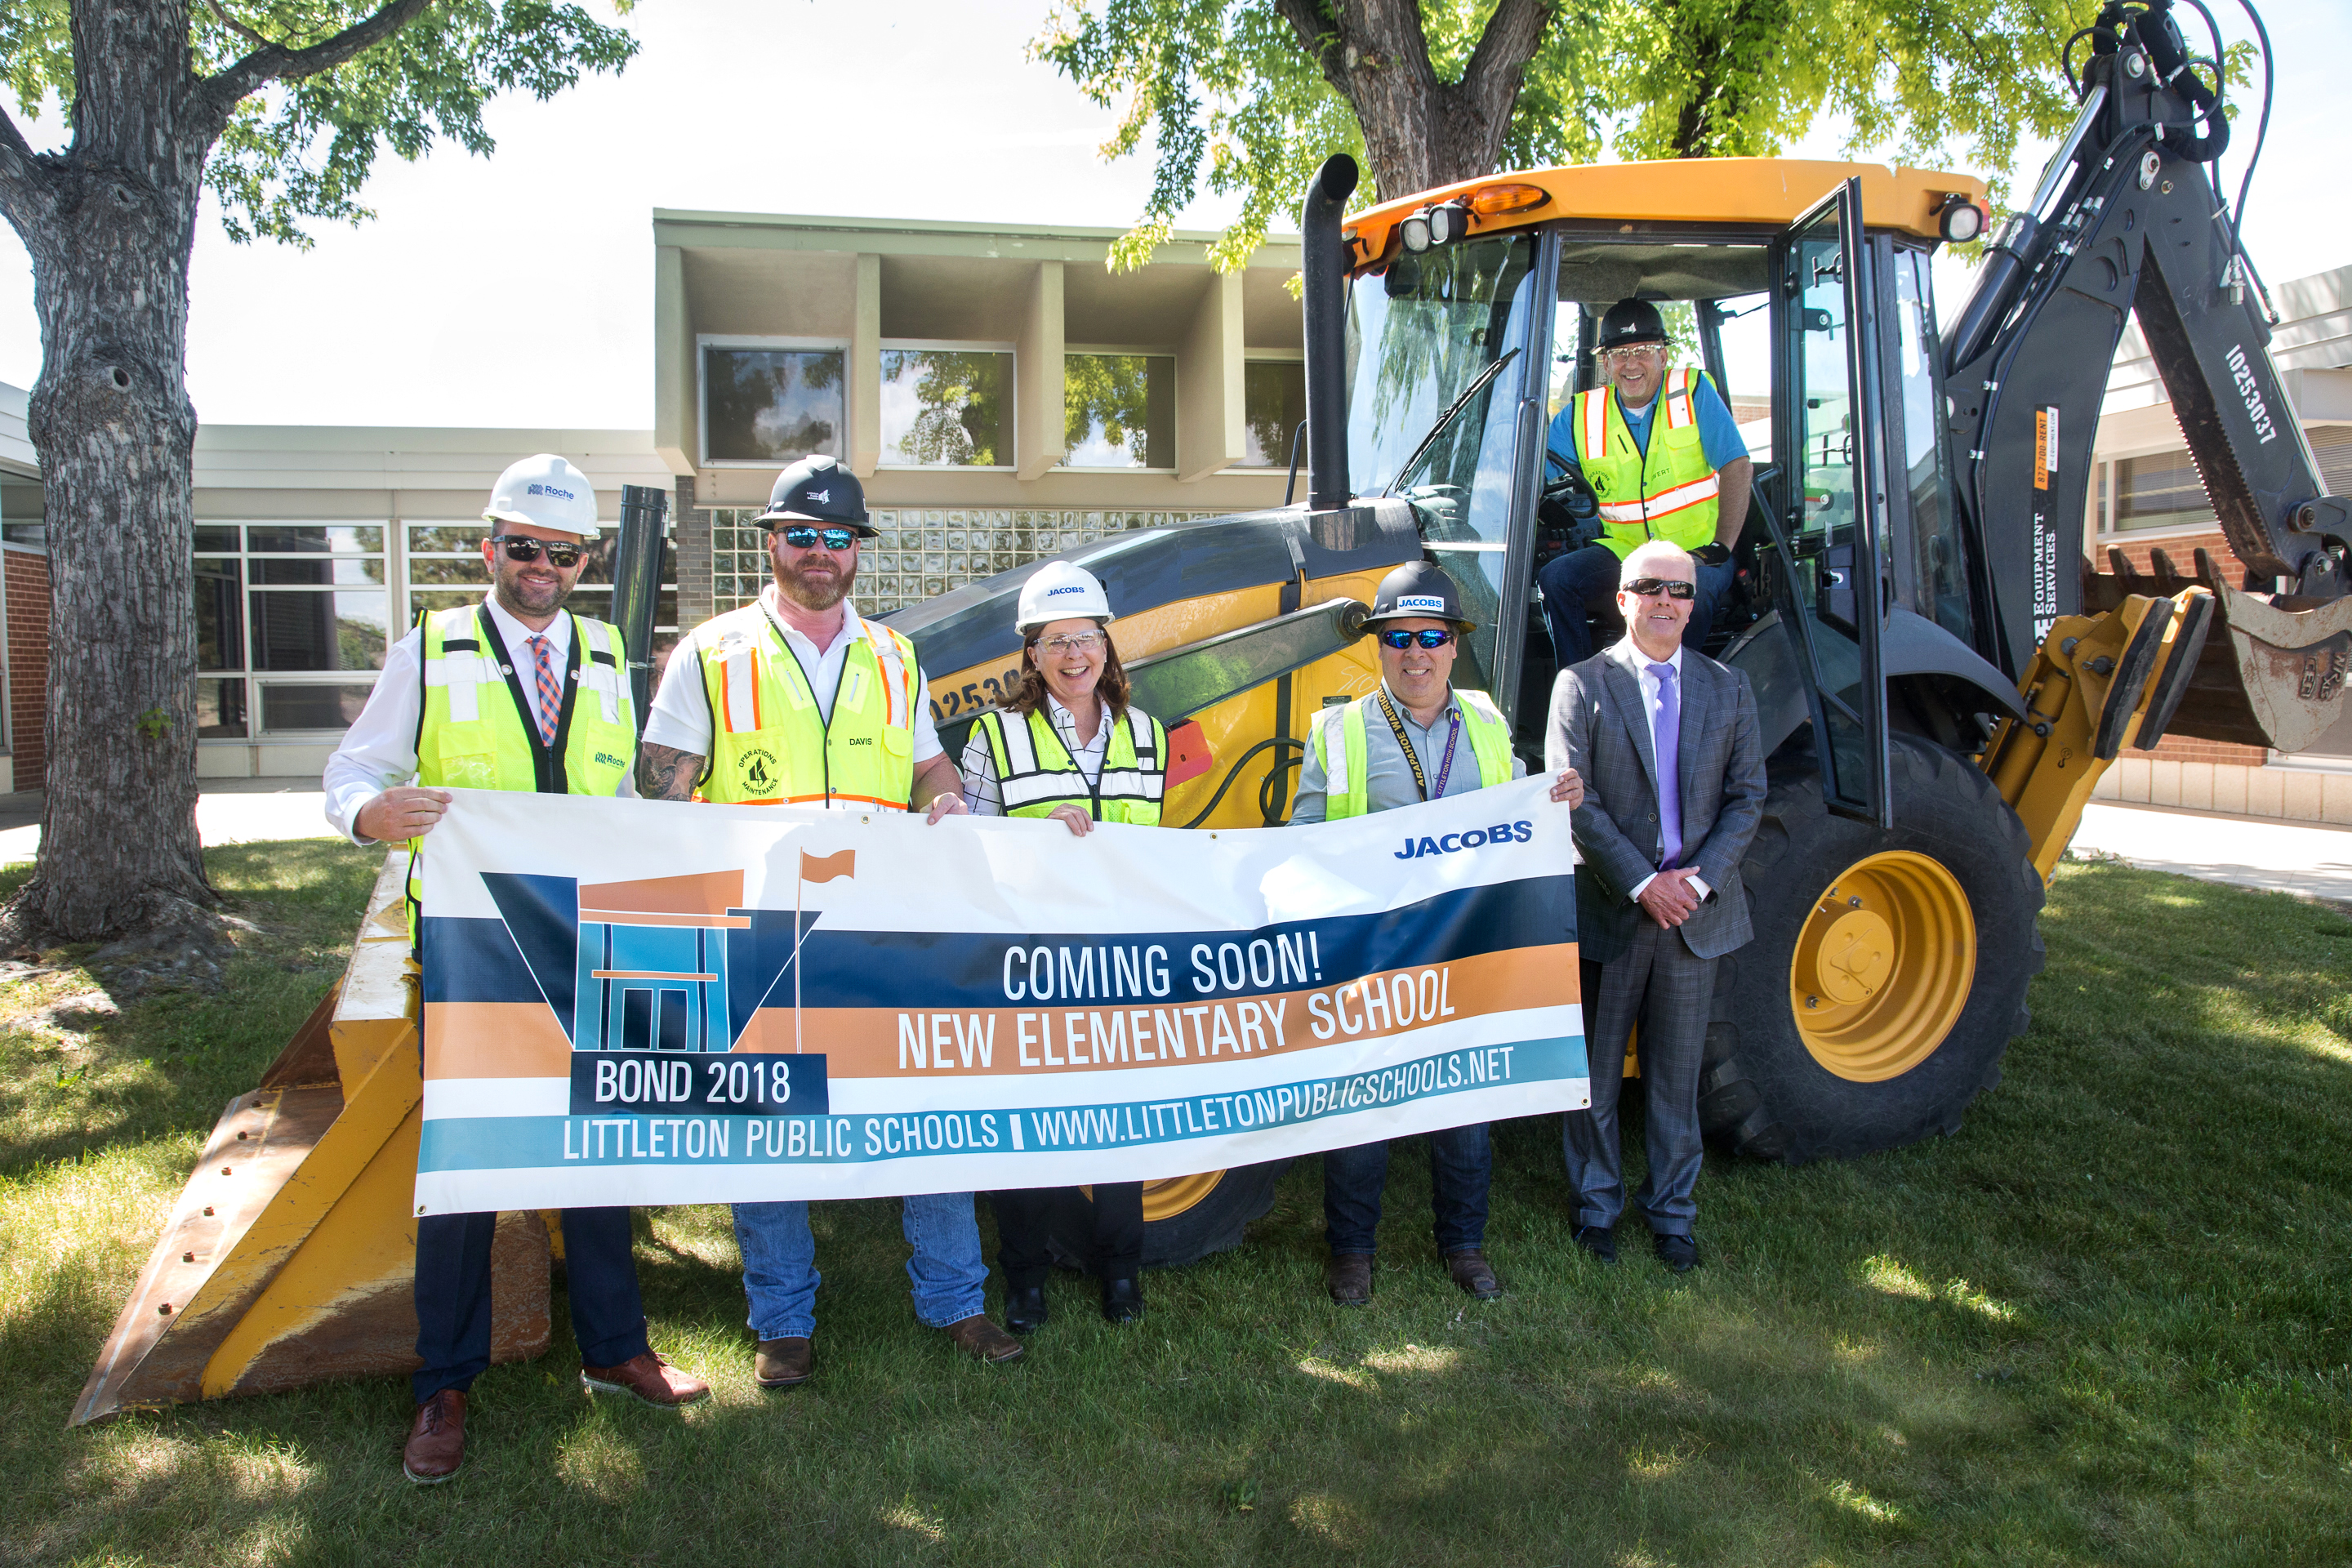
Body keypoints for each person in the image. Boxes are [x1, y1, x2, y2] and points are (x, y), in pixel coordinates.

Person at [323, 453, 709, 1486]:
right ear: (491, 548)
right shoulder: (432, 648)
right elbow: (355, 766)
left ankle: (616, 1348)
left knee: (601, 1141)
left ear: (583, 561)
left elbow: (619, 796)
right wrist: (369, 812)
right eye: (523, 547)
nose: (542, 566)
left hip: (584, 939)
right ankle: (444, 1382)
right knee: (466, 1170)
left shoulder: (605, 648)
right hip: (471, 948)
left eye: (563, 552)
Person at [634, 453, 1022, 1388]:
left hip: (884, 926)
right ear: (771, 542)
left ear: (857, 552)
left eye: (836, 538)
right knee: (769, 1125)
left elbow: (928, 765)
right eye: (800, 535)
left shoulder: (894, 655)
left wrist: (947, 800)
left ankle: (957, 1301)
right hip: (760, 931)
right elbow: (659, 786)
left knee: (929, 1114)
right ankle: (782, 1320)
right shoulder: (713, 652)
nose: (819, 553)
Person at [1290, 561, 1584, 1307]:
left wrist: (1554, 800)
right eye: (1397, 639)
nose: (1413, 654)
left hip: (1463, 953)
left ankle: (1465, 1246)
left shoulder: (1486, 725)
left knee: (1465, 1109)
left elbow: (1518, 814)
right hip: (1375, 954)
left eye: (1430, 637)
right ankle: (1352, 1253)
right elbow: (1305, 838)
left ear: (1455, 645)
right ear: (1378, 647)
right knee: (1359, 1106)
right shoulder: (1340, 731)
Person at [1544, 539, 1766, 1273]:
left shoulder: (1728, 687)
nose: (1666, 602)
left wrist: (1693, 886)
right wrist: (1645, 883)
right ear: (1622, 599)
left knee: (1675, 1081)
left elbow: (1748, 798)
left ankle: (1673, 1215)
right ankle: (1596, 1209)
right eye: (1650, 587)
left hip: (1692, 920)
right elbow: (1576, 802)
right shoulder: (1580, 685)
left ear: (1693, 602)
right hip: (1616, 907)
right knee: (1596, 1082)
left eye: (1680, 590)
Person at [959, 560, 1168, 1330]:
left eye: (1086, 639)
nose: (1074, 656)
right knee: (1031, 1127)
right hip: (1029, 960)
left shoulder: (1148, 736)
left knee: (1117, 1125)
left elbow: (1155, 850)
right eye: (1055, 642)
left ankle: (1122, 1274)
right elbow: (968, 855)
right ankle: (1026, 1277)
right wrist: (1029, 841)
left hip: (1119, 960)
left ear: (1108, 646)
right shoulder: (994, 736)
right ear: (1031, 655)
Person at [1536, 298, 1754, 671]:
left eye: (1643, 351)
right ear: (1605, 363)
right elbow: (1534, 472)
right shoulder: (1581, 415)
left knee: (1689, 597)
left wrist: (1722, 545)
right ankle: (1579, 689)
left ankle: (1678, 691)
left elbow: (1737, 465)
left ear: (1663, 356)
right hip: (1626, 549)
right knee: (1556, 579)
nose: (1631, 363)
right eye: (1620, 354)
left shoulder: (1692, 392)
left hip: (1697, 550)